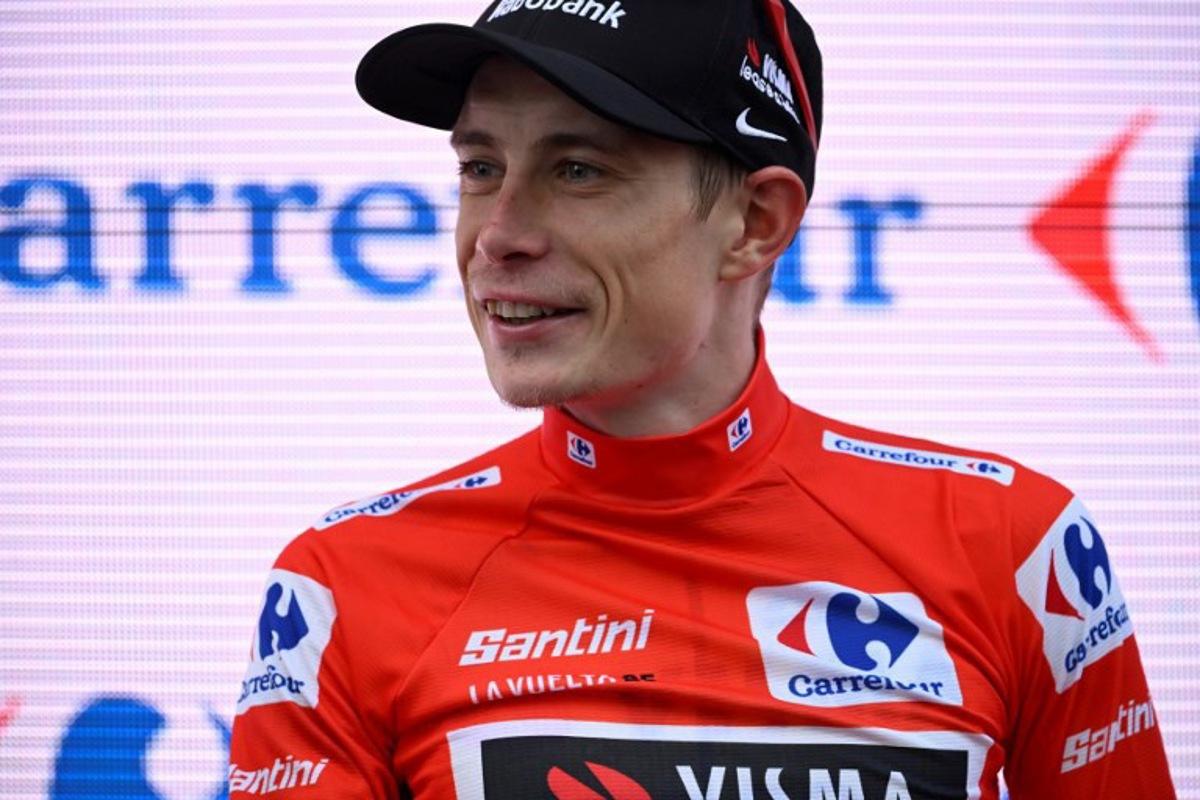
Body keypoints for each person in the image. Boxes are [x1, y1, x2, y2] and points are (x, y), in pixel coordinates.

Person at [228, 2, 1176, 797]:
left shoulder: (1013, 544)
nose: (497, 234)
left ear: (755, 224)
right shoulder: (346, 585)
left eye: (577, 170)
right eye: (480, 169)